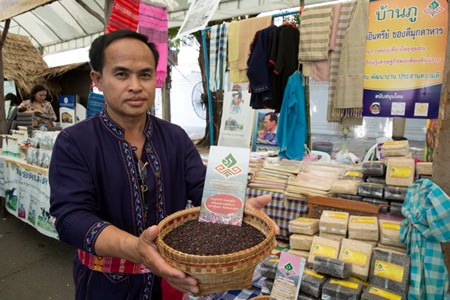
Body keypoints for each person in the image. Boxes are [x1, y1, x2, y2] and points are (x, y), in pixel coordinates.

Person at [49, 30, 276, 300]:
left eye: (145, 74)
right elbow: (70, 218)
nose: (135, 85)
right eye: (122, 74)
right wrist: (137, 248)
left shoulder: (174, 137)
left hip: (170, 281)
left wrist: (236, 208)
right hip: (104, 284)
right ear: (97, 79)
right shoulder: (75, 142)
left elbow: (203, 187)